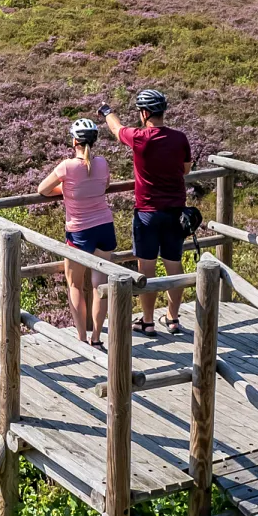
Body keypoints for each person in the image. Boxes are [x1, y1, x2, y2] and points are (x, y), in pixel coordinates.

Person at [100, 89, 191, 335]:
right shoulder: (180, 137)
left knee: (146, 268)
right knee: (174, 265)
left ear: (144, 113)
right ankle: (172, 319)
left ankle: (148, 321)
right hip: (175, 213)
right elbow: (186, 170)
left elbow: (116, 129)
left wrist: (107, 112)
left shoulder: (140, 137)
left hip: (147, 214)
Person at [37, 118, 116, 348]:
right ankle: (97, 338)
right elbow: (105, 185)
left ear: (74, 141)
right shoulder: (102, 163)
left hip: (79, 231)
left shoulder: (66, 166)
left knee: (74, 285)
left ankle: (81, 337)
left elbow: (42, 189)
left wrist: (66, 188)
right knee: (99, 285)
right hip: (105, 227)